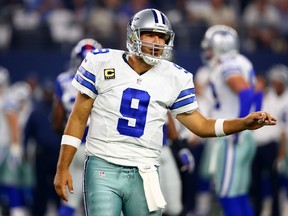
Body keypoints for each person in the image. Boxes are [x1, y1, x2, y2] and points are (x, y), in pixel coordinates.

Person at [54, 8, 276, 216]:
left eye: (162, 37)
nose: (157, 42)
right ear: (133, 36)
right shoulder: (100, 61)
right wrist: (62, 167)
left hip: (146, 169)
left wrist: (242, 123)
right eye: (150, 34)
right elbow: (78, 118)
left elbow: (201, 125)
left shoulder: (176, 77)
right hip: (103, 163)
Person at [200, 24, 260, 216]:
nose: (207, 52)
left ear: (219, 47)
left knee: (226, 195)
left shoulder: (228, 65)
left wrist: (241, 125)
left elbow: (246, 93)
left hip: (232, 136)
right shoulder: (243, 61)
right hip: (243, 137)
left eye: (209, 47)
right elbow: (257, 94)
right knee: (239, 194)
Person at [52, 38, 103, 216]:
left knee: (70, 202)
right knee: (103, 202)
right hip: (99, 147)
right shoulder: (107, 80)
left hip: (74, 145)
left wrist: (67, 136)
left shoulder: (63, 80)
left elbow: (57, 120)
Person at [250, 64, 288, 216]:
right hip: (257, 145)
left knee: (274, 184)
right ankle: (257, 211)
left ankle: (276, 213)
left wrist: (280, 154)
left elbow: (283, 132)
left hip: (272, 146)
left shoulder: (284, 101)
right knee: (255, 184)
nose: (274, 84)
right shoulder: (267, 95)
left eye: (276, 81)